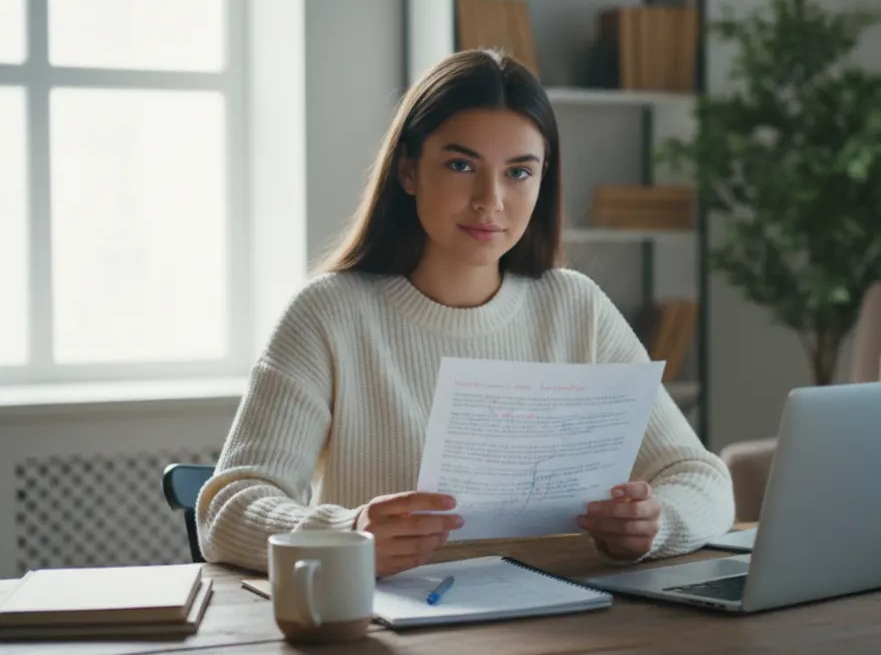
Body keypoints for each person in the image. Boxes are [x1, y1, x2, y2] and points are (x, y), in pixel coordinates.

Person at [196, 49, 735, 577]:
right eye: (461, 165)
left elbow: (702, 478)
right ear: (409, 171)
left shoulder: (577, 306)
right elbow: (227, 509)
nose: (490, 200)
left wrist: (655, 524)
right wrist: (347, 535)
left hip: (562, 619)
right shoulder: (328, 314)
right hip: (392, 627)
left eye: (519, 173)